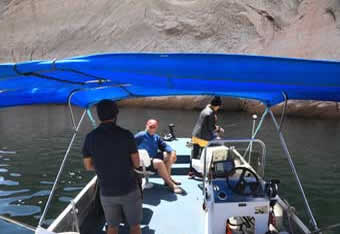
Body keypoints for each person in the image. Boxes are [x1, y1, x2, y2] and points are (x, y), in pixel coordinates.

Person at [82, 99, 142, 234]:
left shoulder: (90, 137)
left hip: (107, 192)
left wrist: (104, 166)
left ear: (99, 116)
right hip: (129, 190)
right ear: (116, 115)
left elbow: (88, 166)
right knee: (135, 227)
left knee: (112, 227)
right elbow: (137, 163)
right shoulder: (126, 135)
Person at [135, 119, 183, 193]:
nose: (152, 129)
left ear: (156, 128)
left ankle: (168, 178)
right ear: (146, 126)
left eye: (154, 127)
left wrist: (172, 151)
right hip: (142, 162)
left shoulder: (156, 137)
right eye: (150, 127)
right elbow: (130, 146)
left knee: (170, 155)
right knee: (159, 162)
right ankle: (171, 184)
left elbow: (165, 146)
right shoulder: (141, 135)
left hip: (152, 159)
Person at [189, 96, 224, 176]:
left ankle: (191, 171)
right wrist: (219, 129)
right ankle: (206, 171)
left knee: (195, 154)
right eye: (218, 107)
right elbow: (211, 128)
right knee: (205, 154)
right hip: (203, 138)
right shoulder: (211, 113)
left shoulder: (205, 109)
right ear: (217, 106)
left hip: (195, 135)